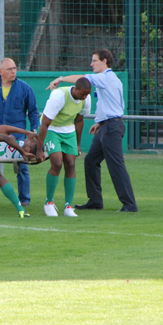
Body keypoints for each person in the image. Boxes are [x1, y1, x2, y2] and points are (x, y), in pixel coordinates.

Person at [47, 49, 138, 212]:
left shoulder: (106, 77)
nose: (91, 64)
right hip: (106, 126)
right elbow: (114, 104)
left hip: (112, 128)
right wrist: (100, 122)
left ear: (104, 62)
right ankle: (95, 201)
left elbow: (82, 79)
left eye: (94, 60)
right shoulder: (110, 79)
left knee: (116, 165)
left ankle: (129, 204)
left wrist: (60, 79)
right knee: (90, 161)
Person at [0, 58, 39, 211]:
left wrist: (34, 130)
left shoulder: (25, 88)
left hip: (17, 138)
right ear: (1, 72)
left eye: (15, 68)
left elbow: (33, 111)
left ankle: (24, 200)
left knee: (23, 166)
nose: (13, 71)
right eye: (10, 69)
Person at [36, 77, 92, 217]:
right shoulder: (59, 96)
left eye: (87, 94)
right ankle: (49, 203)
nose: (85, 97)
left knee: (71, 164)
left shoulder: (86, 99)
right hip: (52, 130)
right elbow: (45, 123)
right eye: (83, 94)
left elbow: (79, 121)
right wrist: (39, 148)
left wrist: (78, 144)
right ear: (76, 89)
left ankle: (68, 206)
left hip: (68, 130)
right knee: (57, 162)